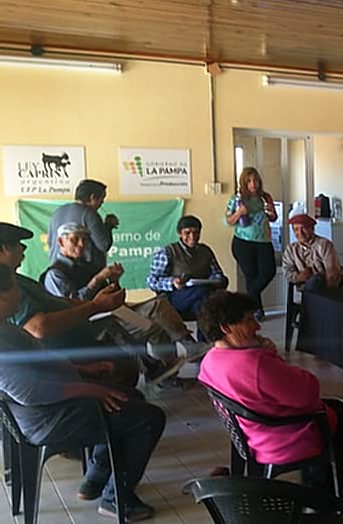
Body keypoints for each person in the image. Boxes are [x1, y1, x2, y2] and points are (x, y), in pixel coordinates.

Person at [197, 291, 343, 510]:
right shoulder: (255, 364)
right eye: (249, 320)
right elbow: (309, 391)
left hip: (251, 432)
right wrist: (270, 355)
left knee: (338, 408)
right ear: (226, 328)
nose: (257, 326)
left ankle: (321, 489)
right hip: (286, 437)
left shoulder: (210, 361)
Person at [0, 264, 166, 521]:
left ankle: (96, 478)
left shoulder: (6, 328)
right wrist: (90, 389)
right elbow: (30, 392)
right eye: (14, 289)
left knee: (132, 398)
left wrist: (84, 369)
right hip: (48, 416)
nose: (20, 295)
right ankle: (115, 498)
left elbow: (41, 361)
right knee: (149, 418)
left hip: (53, 406)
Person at [0, 223, 148, 387]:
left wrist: (100, 301)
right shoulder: (16, 282)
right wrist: (96, 305)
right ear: (4, 249)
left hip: (82, 341)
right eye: (18, 244)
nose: (81, 244)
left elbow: (56, 301)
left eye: (84, 240)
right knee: (124, 366)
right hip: (66, 355)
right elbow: (38, 327)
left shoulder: (21, 279)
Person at [41, 222, 197, 365]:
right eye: (75, 239)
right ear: (61, 242)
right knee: (153, 327)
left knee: (159, 305)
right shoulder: (56, 274)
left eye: (84, 240)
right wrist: (97, 279)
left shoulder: (86, 266)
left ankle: (184, 347)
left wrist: (114, 281)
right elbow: (71, 306)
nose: (81, 244)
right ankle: (160, 370)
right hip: (93, 324)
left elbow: (111, 296)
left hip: (112, 312)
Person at [147, 215, 227, 323]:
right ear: (180, 233)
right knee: (206, 295)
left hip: (200, 294)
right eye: (187, 233)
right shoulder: (168, 252)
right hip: (175, 296)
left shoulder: (205, 251)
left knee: (200, 306)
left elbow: (217, 273)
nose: (192, 236)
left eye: (196, 232)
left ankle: (203, 334)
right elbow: (152, 281)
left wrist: (216, 280)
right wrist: (172, 282)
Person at [226, 167, 278, 319]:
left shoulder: (265, 197)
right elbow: (228, 220)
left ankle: (248, 299)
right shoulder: (237, 199)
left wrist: (272, 214)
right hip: (243, 243)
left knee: (269, 272)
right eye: (249, 181)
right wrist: (239, 213)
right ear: (244, 183)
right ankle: (257, 311)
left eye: (255, 180)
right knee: (251, 276)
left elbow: (273, 218)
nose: (253, 184)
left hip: (264, 241)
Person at [48, 179, 119, 271]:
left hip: (57, 267)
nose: (102, 203)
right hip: (81, 272)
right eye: (102, 199)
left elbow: (50, 242)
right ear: (92, 197)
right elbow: (104, 245)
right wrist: (109, 226)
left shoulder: (57, 212)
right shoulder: (90, 214)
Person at [282, 213, 343, 293]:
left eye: (303, 228)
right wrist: (299, 277)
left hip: (326, 287)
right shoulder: (291, 249)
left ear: (312, 229)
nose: (300, 233)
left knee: (315, 280)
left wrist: (328, 295)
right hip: (305, 288)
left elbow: (332, 273)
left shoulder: (324, 245)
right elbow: (287, 271)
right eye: (296, 229)